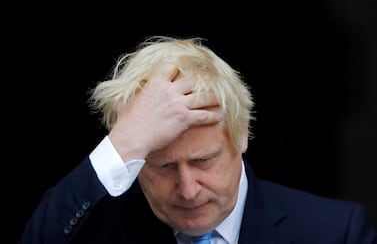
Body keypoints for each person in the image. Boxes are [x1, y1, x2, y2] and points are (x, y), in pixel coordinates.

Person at [19, 36, 376, 244]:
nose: (188, 189)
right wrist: (124, 142)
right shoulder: (103, 231)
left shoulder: (334, 232)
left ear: (242, 138)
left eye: (204, 160)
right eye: (163, 166)